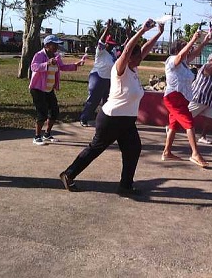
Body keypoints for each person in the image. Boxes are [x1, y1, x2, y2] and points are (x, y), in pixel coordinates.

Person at [60, 18, 164, 195]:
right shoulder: (120, 67)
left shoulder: (134, 68)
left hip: (127, 121)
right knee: (95, 149)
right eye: (137, 57)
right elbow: (129, 50)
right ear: (129, 56)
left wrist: (159, 34)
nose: (141, 59)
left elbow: (142, 50)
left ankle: (125, 186)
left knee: (133, 149)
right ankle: (68, 174)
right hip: (111, 119)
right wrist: (142, 31)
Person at [161, 30, 211, 167]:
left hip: (181, 97)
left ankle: (167, 152)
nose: (189, 51)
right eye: (184, 47)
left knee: (173, 124)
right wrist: (193, 40)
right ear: (178, 49)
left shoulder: (183, 63)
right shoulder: (172, 60)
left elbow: (194, 54)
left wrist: (205, 42)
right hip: (174, 97)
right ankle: (195, 153)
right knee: (189, 122)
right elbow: (182, 54)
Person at [29, 35, 85, 145]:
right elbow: (34, 67)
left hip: (49, 89)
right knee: (42, 113)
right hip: (38, 89)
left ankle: (47, 134)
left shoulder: (56, 57)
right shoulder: (39, 55)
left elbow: (62, 67)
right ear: (47, 45)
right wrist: (47, 63)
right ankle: (37, 137)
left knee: (54, 111)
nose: (56, 47)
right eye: (54, 45)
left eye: (57, 45)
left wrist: (75, 65)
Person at [79, 19, 118, 127]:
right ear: (106, 44)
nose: (111, 46)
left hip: (108, 79)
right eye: (109, 44)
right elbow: (100, 41)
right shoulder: (100, 51)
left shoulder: (112, 54)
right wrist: (107, 29)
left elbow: (124, 49)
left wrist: (129, 38)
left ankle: (103, 120)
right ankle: (84, 118)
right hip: (98, 76)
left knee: (107, 101)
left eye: (112, 45)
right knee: (93, 99)